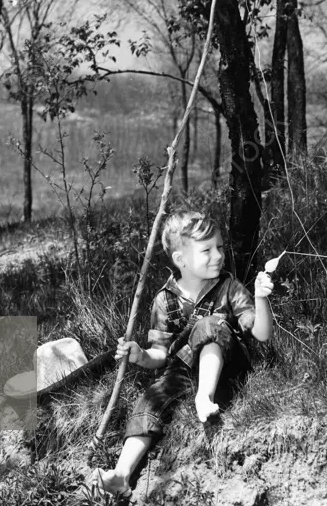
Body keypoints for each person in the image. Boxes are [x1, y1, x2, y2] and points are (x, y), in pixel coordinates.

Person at [95, 211, 274, 497]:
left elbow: (261, 333)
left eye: (220, 247)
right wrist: (140, 356)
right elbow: (160, 355)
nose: (218, 255)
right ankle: (122, 474)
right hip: (182, 370)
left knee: (208, 324)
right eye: (207, 250)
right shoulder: (165, 300)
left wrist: (261, 299)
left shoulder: (229, 288)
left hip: (229, 363)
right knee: (149, 401)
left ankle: (205, 396)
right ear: (181, 260)